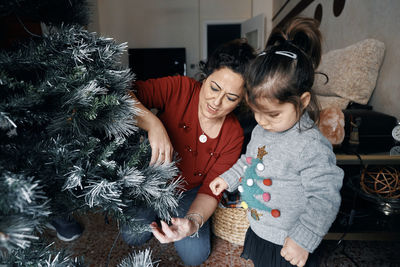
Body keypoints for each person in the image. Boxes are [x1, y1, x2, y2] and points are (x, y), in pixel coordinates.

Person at [209, 17, 344, 267]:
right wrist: (228, 178)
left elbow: (325, 198)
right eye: (256, 112)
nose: (262, 122)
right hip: (261, 231)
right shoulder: (262, 130)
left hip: (289, 240)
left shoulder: (310, 145)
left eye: (272, 114)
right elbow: (249, 161)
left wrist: (303, 239)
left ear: (302, 102)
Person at [122, 38, 255, 266]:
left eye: (231, 98)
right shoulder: (180, 88)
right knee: (132, 235)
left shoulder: (233, 135)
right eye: (214, 88)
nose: (216, 102)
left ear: (241, 100)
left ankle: (174, 216)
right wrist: (153, 124)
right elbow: (123, 93)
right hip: (151, 181)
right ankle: (160, 212)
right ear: (206, 76)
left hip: (190, 192)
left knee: (195, 256)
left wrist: (192, 223)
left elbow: (210, 190)